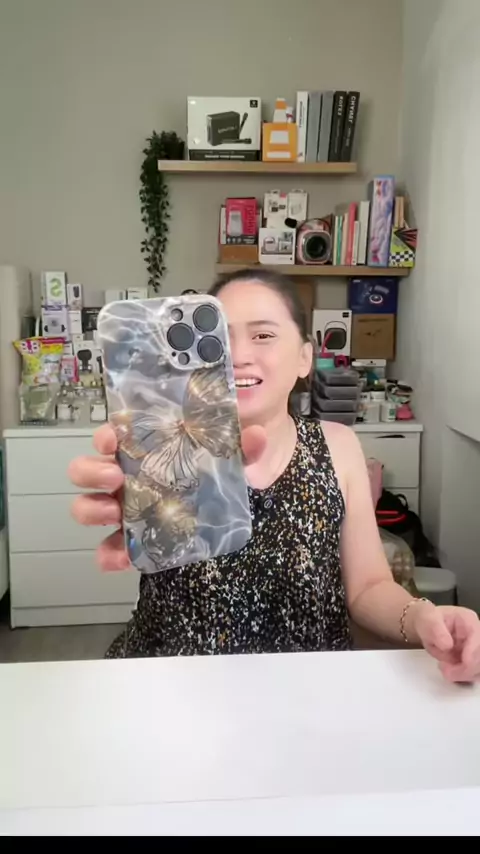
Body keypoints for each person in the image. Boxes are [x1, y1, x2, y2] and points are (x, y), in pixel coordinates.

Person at [69, 269, 480, 680]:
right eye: (221, 337)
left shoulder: (338, 446)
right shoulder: (169, 450)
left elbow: (368, 587)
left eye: (263, 335)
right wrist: (134, 502)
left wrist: (423, 617)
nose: (238, 355)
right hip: (172, 684)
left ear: (304, 357)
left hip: (308, 688)